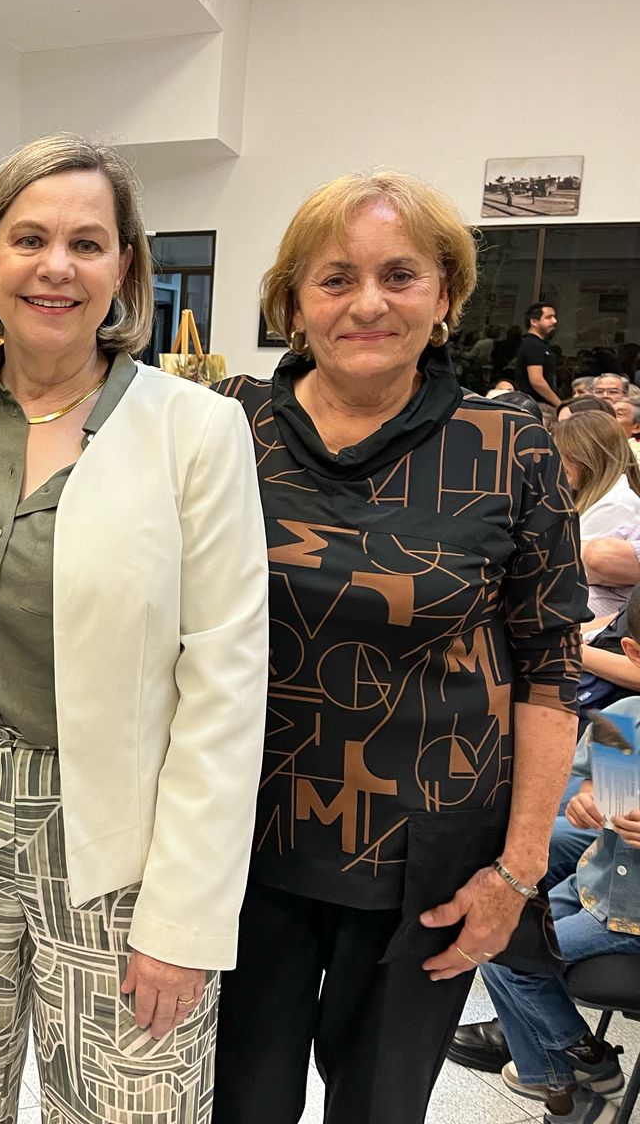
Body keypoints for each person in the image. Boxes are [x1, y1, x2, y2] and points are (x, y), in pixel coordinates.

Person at [0, 132, 270, 1123]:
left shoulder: (196, 430)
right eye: (28, 239)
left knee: (128, 1105)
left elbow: (226, 688)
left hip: (118, 837)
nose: (55, 266)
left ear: (123, 268)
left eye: (86, 244)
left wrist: (184, 917)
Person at [212, 171, 588, 1124]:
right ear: (294, 300)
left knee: (379, 1110)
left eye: (400, 275)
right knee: (233, 1105)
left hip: (430, 865)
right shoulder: (227, 426)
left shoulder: (510, 447)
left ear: (445, 294)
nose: (368, 303)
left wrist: (517, 874)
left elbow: (550, 674)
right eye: (336, 278)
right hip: (235, 847)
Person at [477, 588, 640, 1121]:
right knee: (496, 940)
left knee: (508, 955)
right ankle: (573, 1068)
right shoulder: (625, 718)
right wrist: (588, 804)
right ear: (634, 654)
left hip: (630, 916)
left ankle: (571, 1076)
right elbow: (600, 796)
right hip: (595, 883)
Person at [553, 412, 640, 617]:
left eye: (562, 454)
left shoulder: (616, 505)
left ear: (585, 457)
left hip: (600, 625)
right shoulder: (597, 498)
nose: (558, 464)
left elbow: (572, 570)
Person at [513, 302, 562, 424]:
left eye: (554, 317)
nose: (554, 321)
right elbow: (537, 380)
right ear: (534, 321)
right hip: (537, 407)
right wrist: (560, 405)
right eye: (548, 317)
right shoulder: (533, 345)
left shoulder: (539, 344)